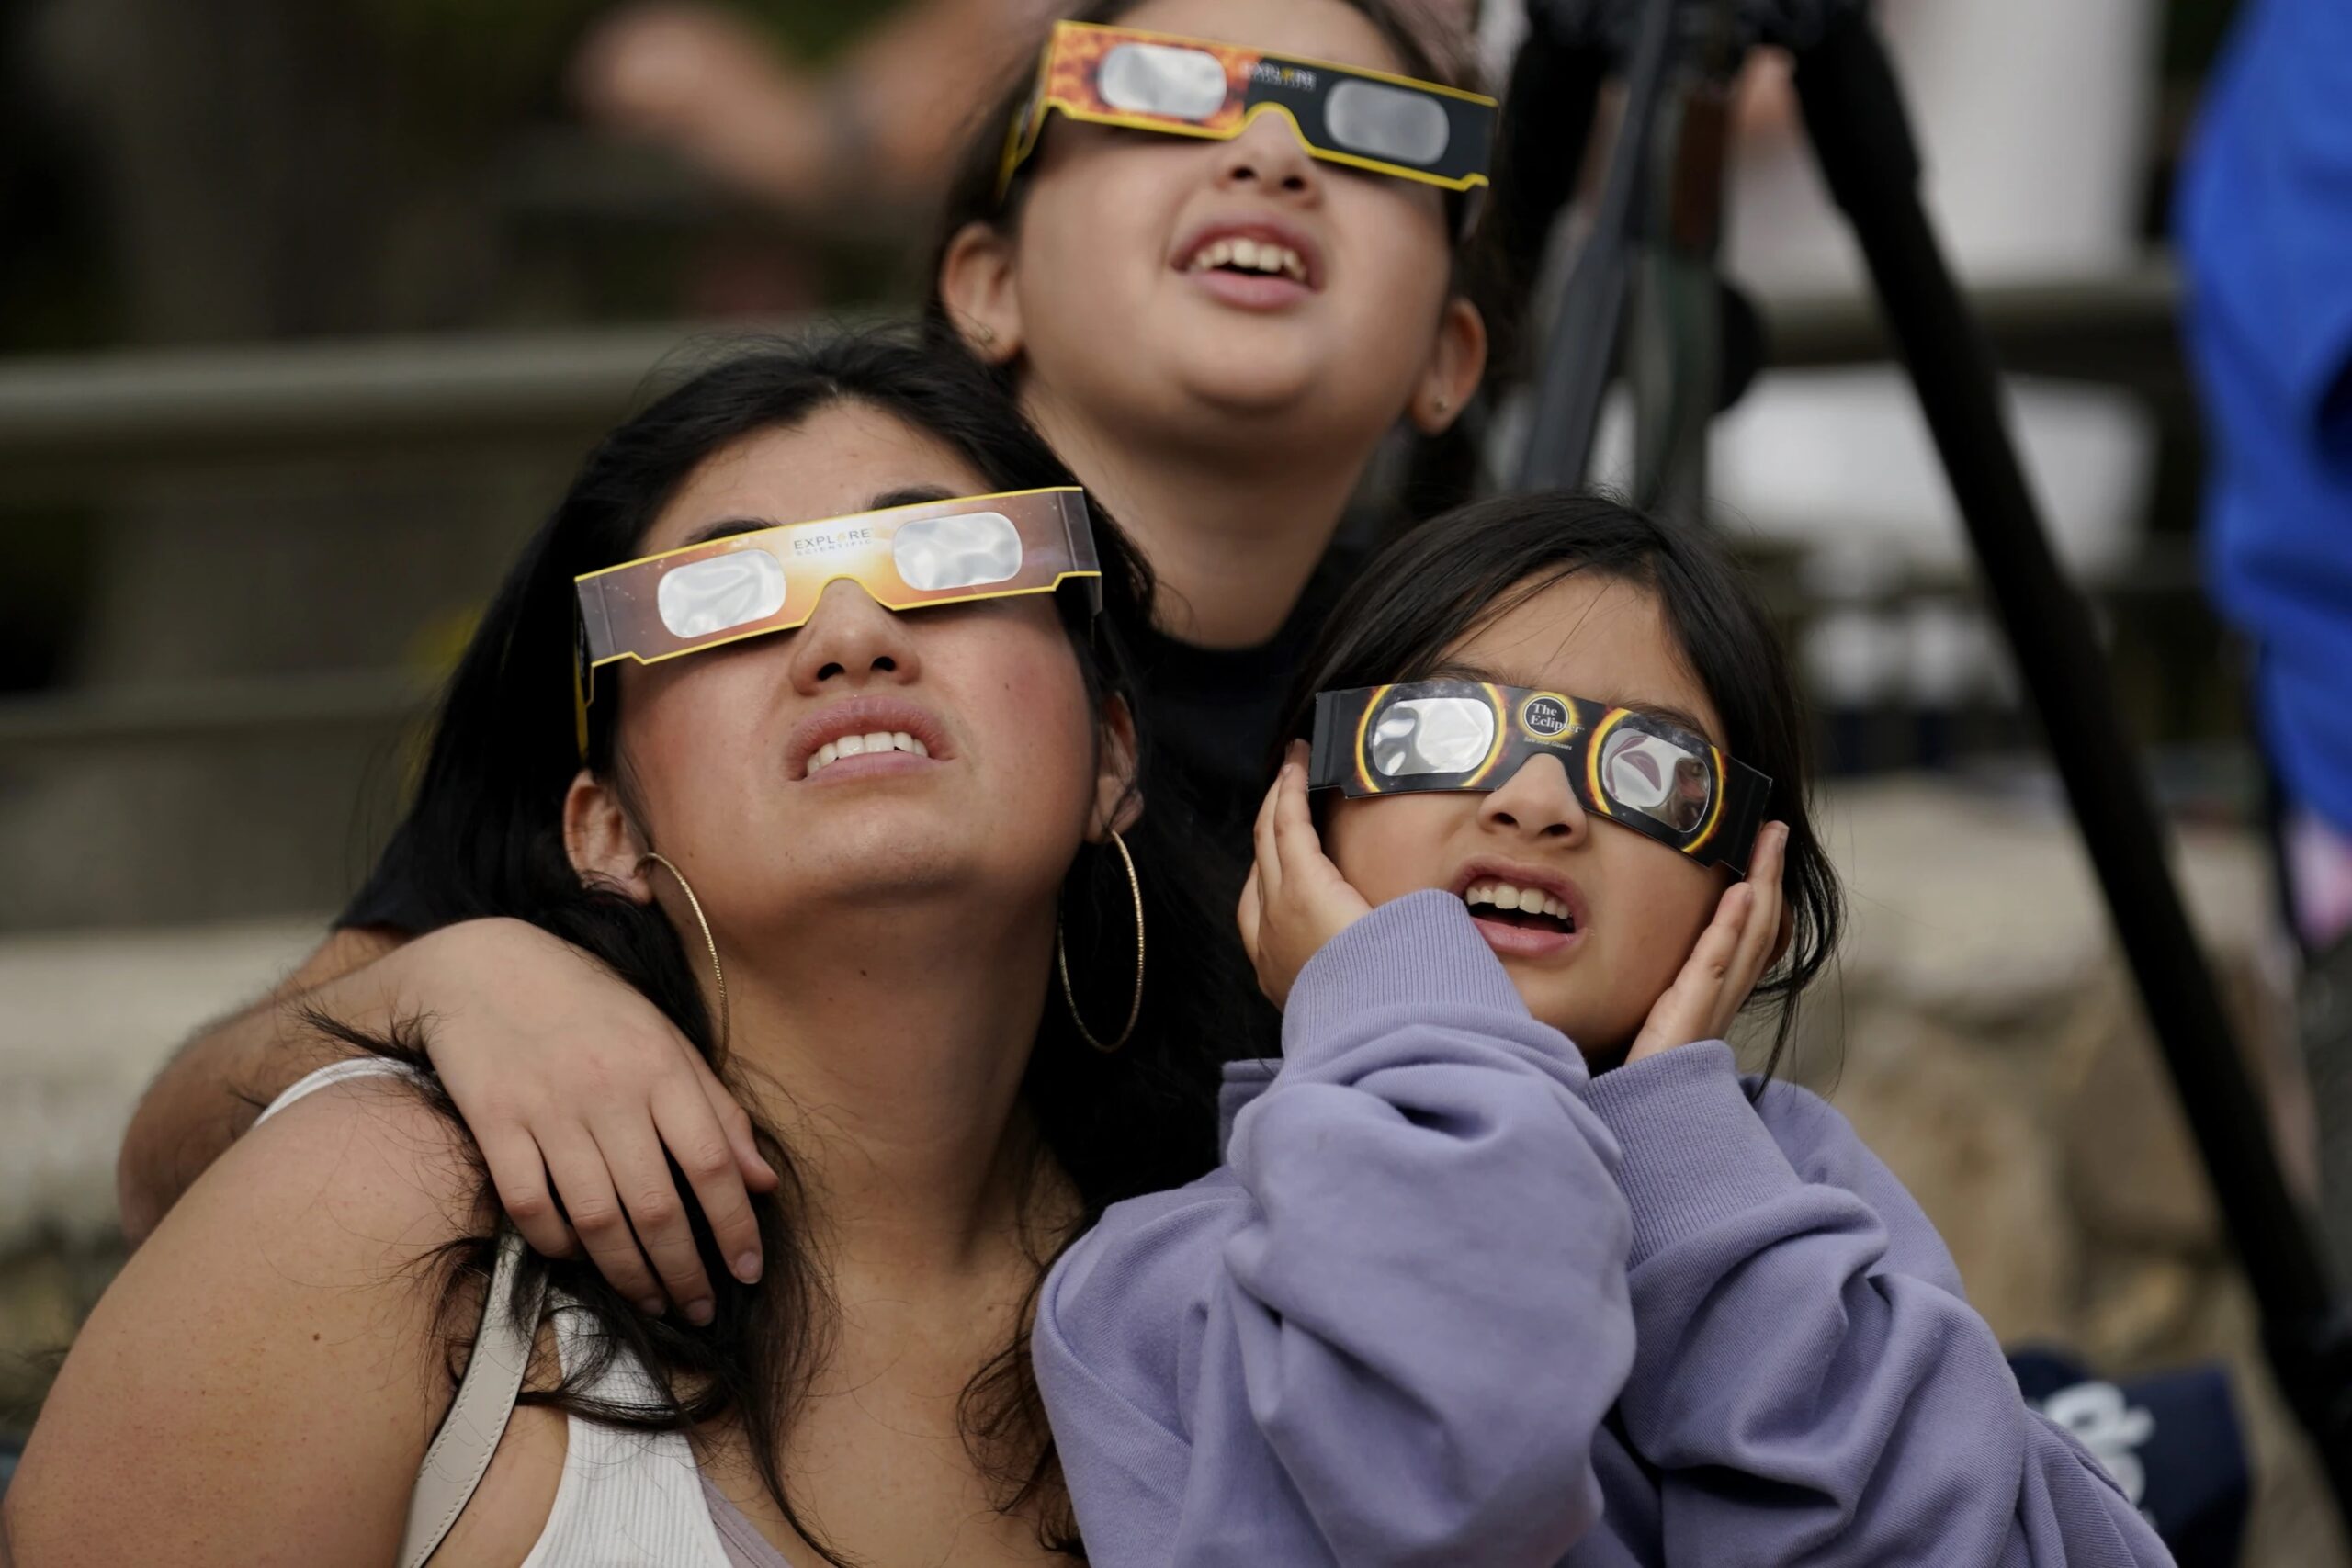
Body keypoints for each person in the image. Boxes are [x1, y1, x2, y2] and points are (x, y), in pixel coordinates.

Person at [7, 333, 1655, 1565]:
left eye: (946, 560)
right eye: (725, 595)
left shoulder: (1259, 1277)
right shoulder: (378, 1219)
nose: (854, 632)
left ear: (1110, 757)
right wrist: (429, 975)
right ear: (601, 824)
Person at [116, 0, 1498, 1317]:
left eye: (1372, 127)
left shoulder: (1498, 726)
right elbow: (170, 1154)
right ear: (986, 280)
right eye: (1164, 91)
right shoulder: (728, 608)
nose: (1269, 153)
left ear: (1452, 357)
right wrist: (452, 982)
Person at [1034, 493, 2176, 1563]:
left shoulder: (1807, 1211)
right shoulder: (1143, 1290)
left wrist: (1692, 1182)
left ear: (1751, 894)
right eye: (1442, 728)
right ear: (1304, 816)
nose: (1534, 801)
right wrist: (1404, 1016)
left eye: (1648, 768)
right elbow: (1459, 1479)